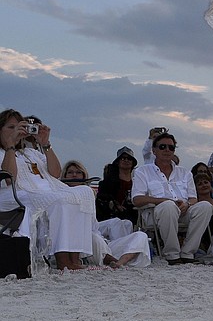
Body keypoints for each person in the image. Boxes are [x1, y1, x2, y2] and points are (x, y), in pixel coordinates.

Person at [1, 110, 93, 270]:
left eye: (19, 127)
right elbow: (9, 178)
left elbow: (56, 173)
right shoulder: (3, 153)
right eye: (10, 127)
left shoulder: (30, 153)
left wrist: (45, 145)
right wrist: (10, 146)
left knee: (84, 193)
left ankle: (74, 260)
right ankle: (62, 260)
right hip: (13, 194)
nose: (16, 131)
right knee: (59, 200)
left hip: (45, 191)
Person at [131, 132, 213, 265]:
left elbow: (193, 199)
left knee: (205, 206)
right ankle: (172, 254)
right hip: (156, 213)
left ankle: (187, 253)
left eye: (171, 147)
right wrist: (162, 201)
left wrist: (187, 204)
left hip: (183, 211)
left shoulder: (184, 173)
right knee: (168, 206)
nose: (167, 150)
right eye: (162, 146)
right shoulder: (143, 171)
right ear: (154, 150)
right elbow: (137, 199)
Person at [62, 160, 149, 268]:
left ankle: (118, 263)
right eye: (70, 172)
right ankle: (113, 259)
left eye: (78, 172)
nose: (74, 175)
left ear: (84, 176)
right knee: (92, 236)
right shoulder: (62, 195)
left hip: (100, 241)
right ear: (64, 175)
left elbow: (95, 225)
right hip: (86, 242)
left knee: (140, 235)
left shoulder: (88, 193)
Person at [96, 147, 139, 225]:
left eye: (129, 158)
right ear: (118, 162)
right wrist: (115, 205)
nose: (126, 160)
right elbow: (102, 197)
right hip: (111, 217)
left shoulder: (138, 179)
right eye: (123, 158)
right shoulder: (107, 181)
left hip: (134, 215)